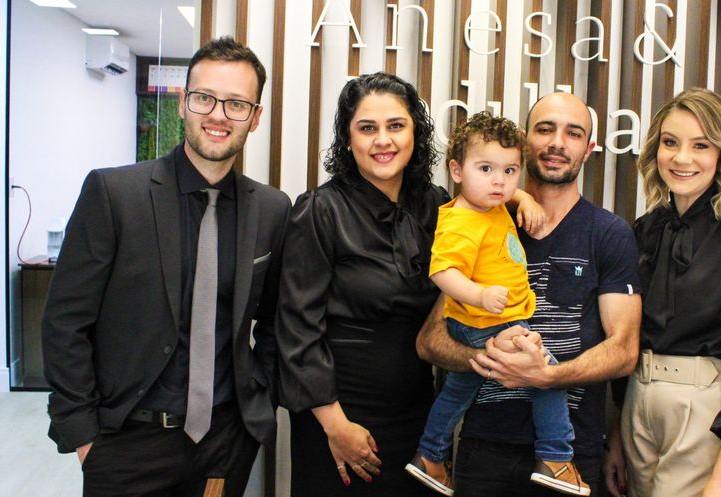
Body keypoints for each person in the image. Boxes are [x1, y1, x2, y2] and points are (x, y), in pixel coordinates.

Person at [41, 37, 290, 497]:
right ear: (182, 103)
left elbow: (277, 321)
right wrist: (83, 436)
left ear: (255, 117)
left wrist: (259, 398)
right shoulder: (114, 195)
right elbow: (65, 322)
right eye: (204, 98)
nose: (218, 115)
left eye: (236, 104)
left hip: (224, 442)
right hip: (125, 444)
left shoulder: (273, 210)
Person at [417, 91, 643, 497]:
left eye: (573, 133)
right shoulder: (483, 217)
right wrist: (493, 360)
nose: (557, 142)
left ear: (589, 148)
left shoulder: (609, 233)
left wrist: (545, 376)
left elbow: (624, 351)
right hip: (485, 446)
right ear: (525, 140)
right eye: (545, 129)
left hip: (573, 451)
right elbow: (431, 340)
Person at [602, 88, 721, 497]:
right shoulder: (643, 231)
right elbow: (625, 335)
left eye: (700, 145)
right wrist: (615, 431)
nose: (682, 158)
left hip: (706, 411)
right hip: (637, 403)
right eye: (670, 143)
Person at [275, 72, 451, 497]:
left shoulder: (437, 205)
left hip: (418, 415)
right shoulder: (320, 209)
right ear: (348, 137)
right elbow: (296, 328)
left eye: (396, 126)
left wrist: (521, 196)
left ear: (415, 132)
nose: (382, 140)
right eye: (367, 128)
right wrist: (336, 426)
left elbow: (489, 209)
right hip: (339, 417)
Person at [406, 111, 587, 497]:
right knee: (546, 375)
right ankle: (556, 458)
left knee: (460, 387)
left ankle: (430, 455)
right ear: (456, 170)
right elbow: (442, 271)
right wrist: (479, 295)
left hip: (486, 320)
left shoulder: (489, 203)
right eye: (486, 169)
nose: (499, 181)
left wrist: (523, 197)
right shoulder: (461, 221)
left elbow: (504, 189)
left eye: (510, 171)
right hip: (487, 320)